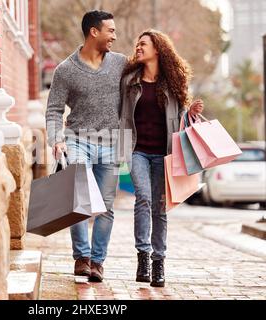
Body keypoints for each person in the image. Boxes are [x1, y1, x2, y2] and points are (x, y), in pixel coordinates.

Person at [45, 10, 127, 282]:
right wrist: (56, 139)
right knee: (78, 199)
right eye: (111, 31)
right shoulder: (66, 70)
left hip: (112, 143)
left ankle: (97, 262)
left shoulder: (120, 64)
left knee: (105, 206)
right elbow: (54, 110)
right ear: (94, 32)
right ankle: (81, 257)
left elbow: (145, 87)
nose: (114, 36)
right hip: (78, 140)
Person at [119, 29, 204, 287]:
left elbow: (181, 119)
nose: (138, 48)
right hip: (136, 151)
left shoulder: (173, 82)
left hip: (164, 154)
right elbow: (120, 115)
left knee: (160, 205)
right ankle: (143, 256)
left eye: (143, 44)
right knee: (143, 198)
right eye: (137, 44)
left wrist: (191, 111)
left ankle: (159, 262)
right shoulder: (129, 81)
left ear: (158, 49)